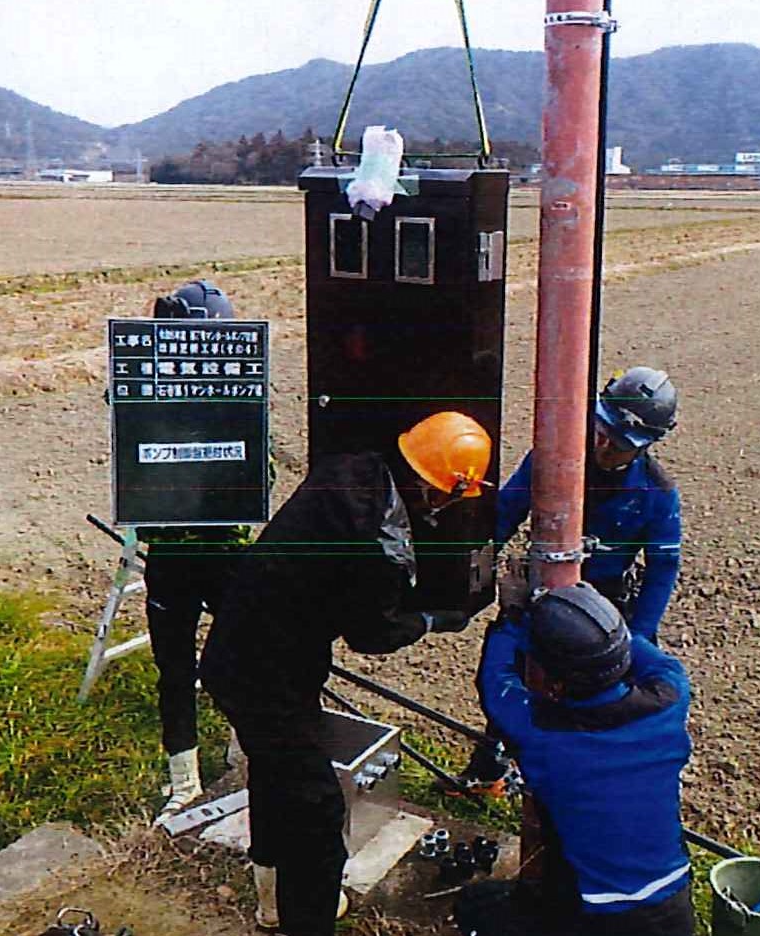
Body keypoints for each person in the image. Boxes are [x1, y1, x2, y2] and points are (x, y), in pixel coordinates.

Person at [198, 410, 493, 936]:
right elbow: (370, 635)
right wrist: (429, 618)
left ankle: (272, 902)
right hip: (266, 676)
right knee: (315, 812)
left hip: (245, 652)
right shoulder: (375, 538)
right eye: (448, 498)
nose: (444, 510)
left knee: (274, 777)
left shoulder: (352, 470)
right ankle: (305, 921)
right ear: (432, 491)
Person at [454, 366, 683, 795]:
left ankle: (563, 784)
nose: (602, 446)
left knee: (584, 699)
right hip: (540, 597)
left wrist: (639, 638)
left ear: (646, 444)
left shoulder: (656, 493)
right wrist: (470, 580)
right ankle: (490, 769)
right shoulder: (553, 457)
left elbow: (662, 568)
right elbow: (505, 513)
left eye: (616, 443)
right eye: (599, 430)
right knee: (511, 677)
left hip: (603, 613)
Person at [455, 582, 695, 936]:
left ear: (555, 683)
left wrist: (512, 620)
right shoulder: (669, 697)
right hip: (673, 905)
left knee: (475, 908)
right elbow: (643, 652)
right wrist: (593, 619)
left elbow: (495, 683)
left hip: (596, 916)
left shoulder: (544, 734)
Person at [138, 279, 250, 827]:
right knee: (175, 669)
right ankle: (184, 780)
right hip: (176, 556)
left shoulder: (240, 395)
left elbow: (259, 472)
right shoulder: (142, 392)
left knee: (244, 657)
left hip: (225, 550)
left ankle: (243, 751)